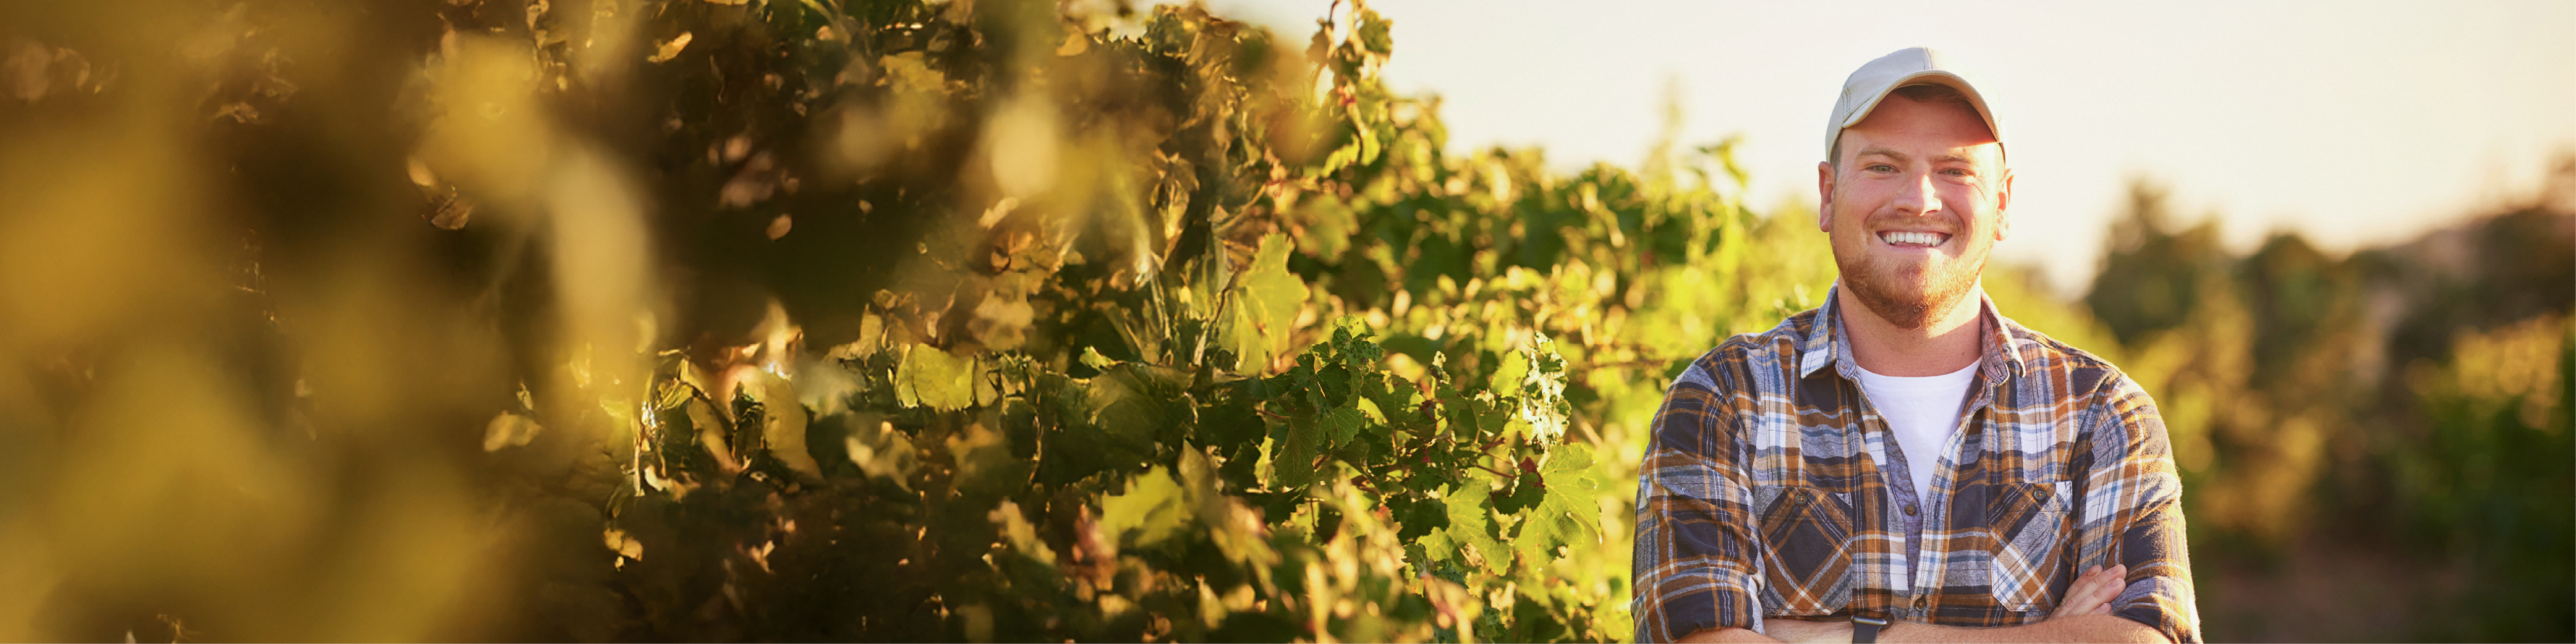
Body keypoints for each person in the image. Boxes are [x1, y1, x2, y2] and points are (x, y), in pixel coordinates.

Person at [1629, 47, 2200, 643]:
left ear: (2001, 204)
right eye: (1882, 166)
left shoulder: (2101, 414)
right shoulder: (1723, 400)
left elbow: (2147, 639)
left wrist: (1865, 638)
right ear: (1827, 194)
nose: (1919, 199)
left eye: (1954, 170)